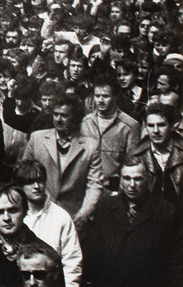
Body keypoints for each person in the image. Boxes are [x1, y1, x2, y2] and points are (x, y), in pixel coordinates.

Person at [83, 157, 182, 287]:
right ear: (121, 180)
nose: (132, 185)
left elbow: (176, 264)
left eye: (138, 179)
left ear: (148, 179)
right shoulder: (105, 208)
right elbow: (92, 257)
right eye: (127, 178)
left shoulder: (167, 212)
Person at [22, 93, 102, 228]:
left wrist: (84, 213)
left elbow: (95, 184)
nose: (58, 119)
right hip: (39, 213)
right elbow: (22, 175)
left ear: (75, 118)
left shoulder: (90, 146)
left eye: (64, 115)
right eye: (56, 114)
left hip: (73, 217)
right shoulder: (37, 139)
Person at [13, 160, 82, 287]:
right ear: (20, 186)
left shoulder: (61, 217)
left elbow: (72, 261)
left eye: (40, 180)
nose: (37, 186)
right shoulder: (15, 217)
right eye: (30, 182)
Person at [80, 78, 145, 191]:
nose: (100, 100)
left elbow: (133, 163)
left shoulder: (130, 126)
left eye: (105, 96)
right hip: (88, 187)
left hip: (114, 189)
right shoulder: (86, 122)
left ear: (115, 97)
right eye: (97, 95)